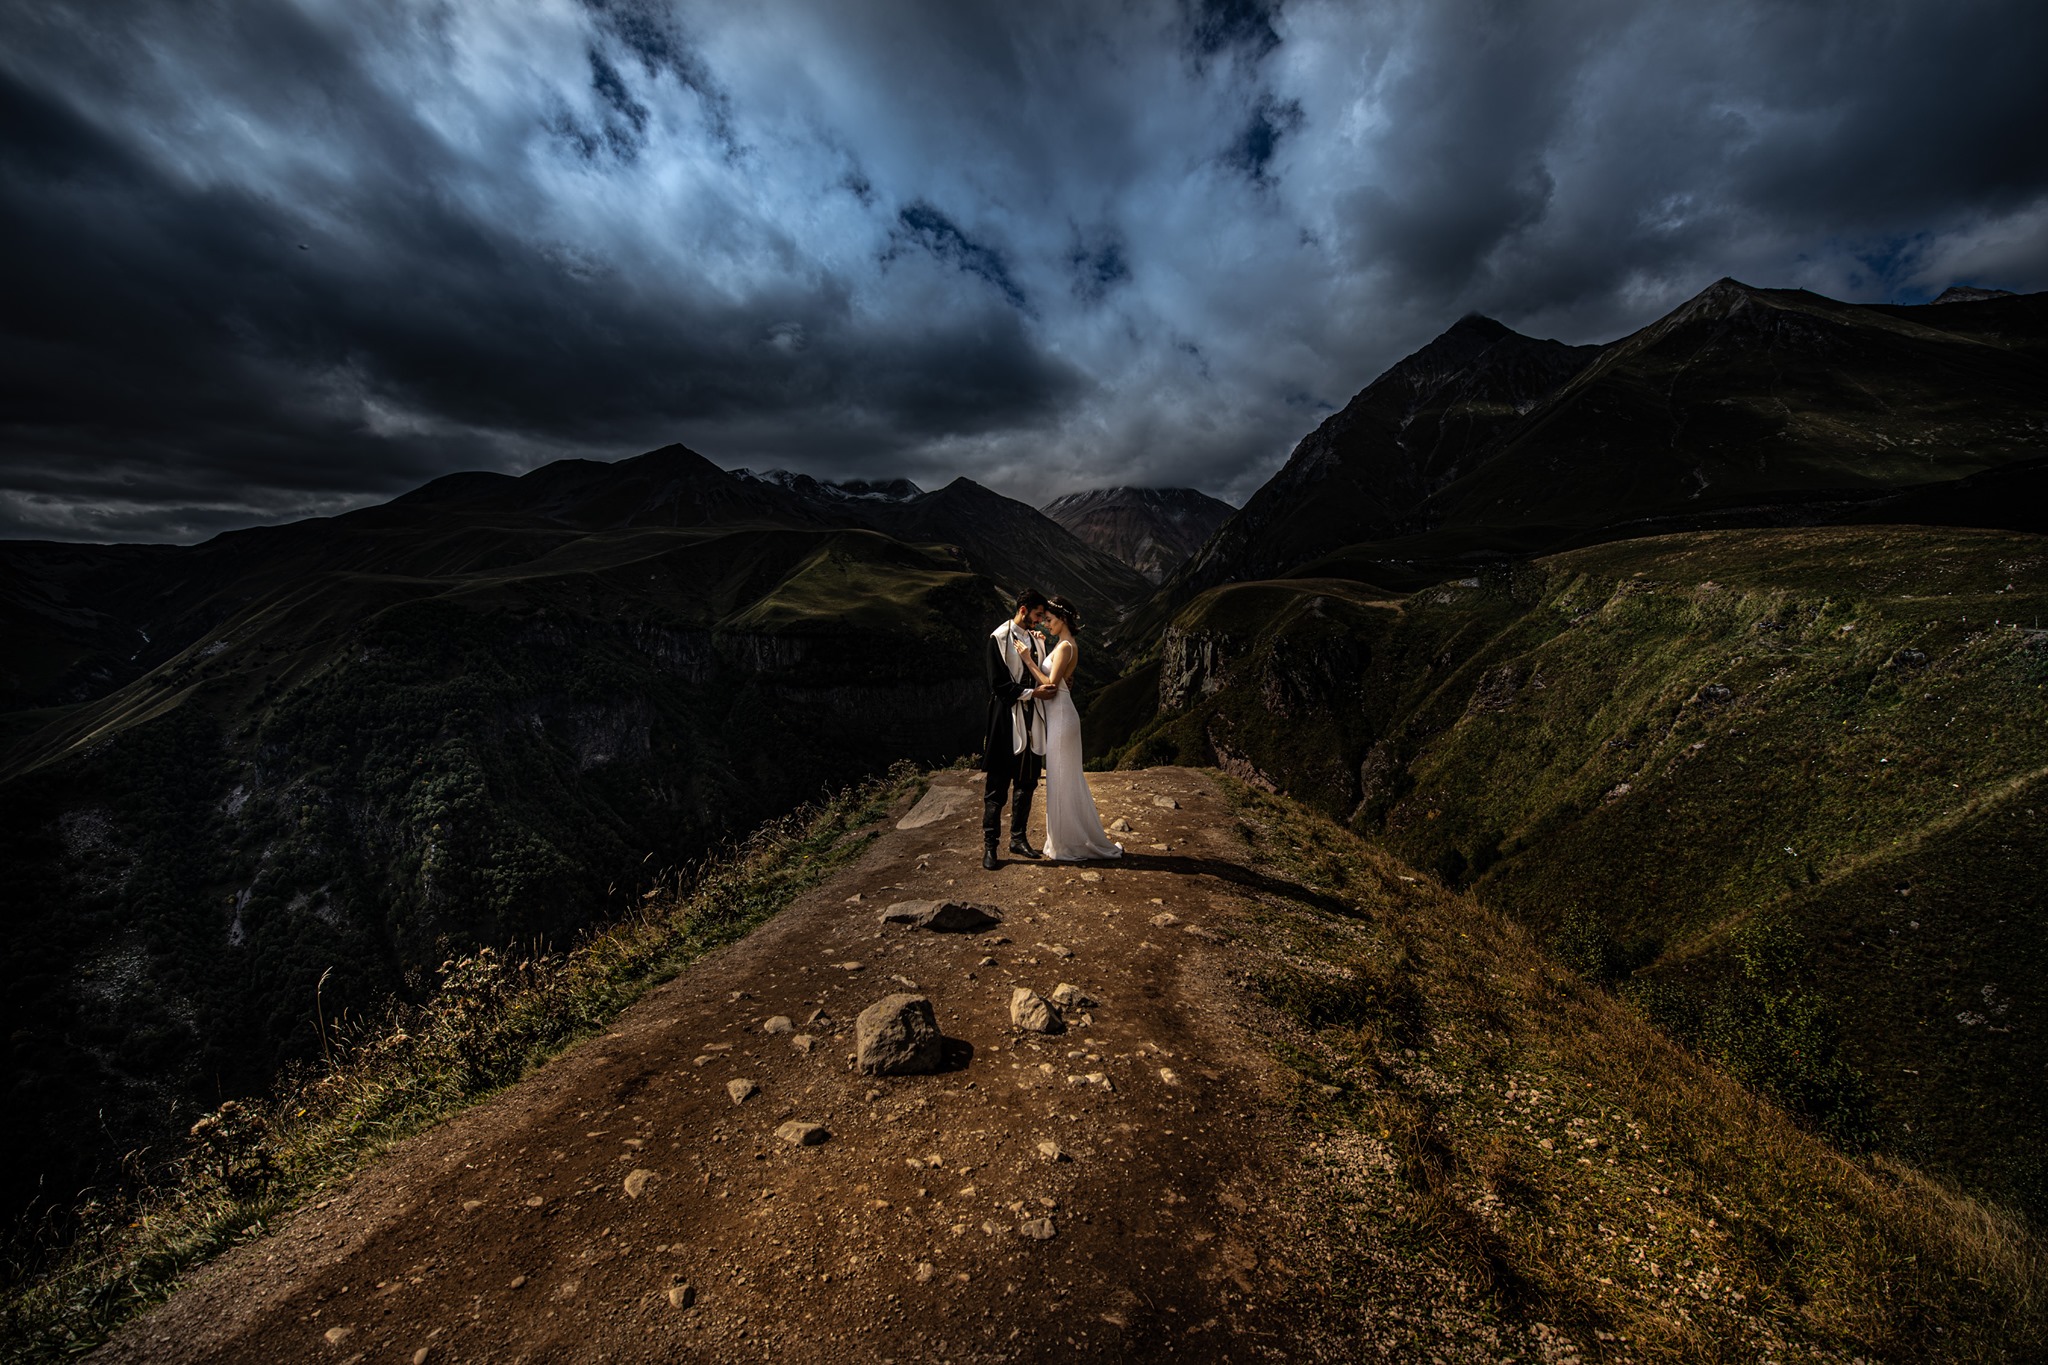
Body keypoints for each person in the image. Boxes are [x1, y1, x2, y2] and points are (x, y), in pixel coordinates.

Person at [1012, 595, 1123, 862]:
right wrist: (1039, 645)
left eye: (1049, 620)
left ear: (1062, 620)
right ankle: (1067, 839)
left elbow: (1049, 685)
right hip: (1061, 715)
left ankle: (1066, 845)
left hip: (1061, 717)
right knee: (1063, 779)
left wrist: (1027, 659)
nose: (1046, 624)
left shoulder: (1064, 647)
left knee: (1060, 780)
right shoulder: (1065, 644)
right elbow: (1062, 679)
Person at [983, 588, 1054, 870]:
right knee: (997, 786)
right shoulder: (998, 638)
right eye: (1037, 615)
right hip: (1005, 718)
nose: (1039, 621)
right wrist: (1032, 694)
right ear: (1023, 609)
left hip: (1032, 719)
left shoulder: (1034, 639)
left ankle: (1018, 838)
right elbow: (998, 685)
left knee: (1027, 781)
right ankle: (990, 846)